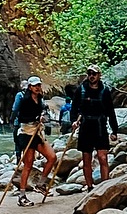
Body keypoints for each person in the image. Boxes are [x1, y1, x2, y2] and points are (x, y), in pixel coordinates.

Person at [67, 64, 118, 187]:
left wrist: (114, 130)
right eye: (89, 74)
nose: (91, 76)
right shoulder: (81, 90)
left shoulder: (105, 91)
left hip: (100, 127)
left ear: (99, 75)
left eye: (94, 74)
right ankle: (90, 187)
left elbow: (110, 111)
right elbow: (74, 108)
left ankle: (104, 187)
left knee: (102, 158)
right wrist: (73, 120)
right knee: (86, 159)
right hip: (85, 127)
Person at [10, 76, 57, 204]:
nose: (37, 88)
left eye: (39, 85)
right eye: (35, 86)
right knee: (28, 165)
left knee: (52, 157)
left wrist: (42, 116)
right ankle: (22, 196)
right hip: (26, 133)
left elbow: (42, 112)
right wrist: (36, 118)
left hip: (37, 133)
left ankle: (41, 184)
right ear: (30, 87)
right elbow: (21, 118)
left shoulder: (40, 99)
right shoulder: (24, 100)